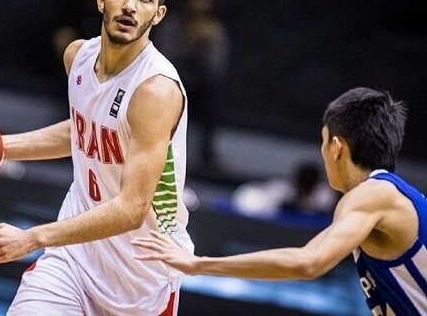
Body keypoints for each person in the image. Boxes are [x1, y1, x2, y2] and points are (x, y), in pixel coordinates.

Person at [0, 0, 194, 316]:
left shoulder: (155, 90)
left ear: (158, 14)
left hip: (140, 281)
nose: (130, 6)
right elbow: (83, 128)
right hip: (72, 260)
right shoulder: (77, 56)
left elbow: (132, 209)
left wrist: (31, 237)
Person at [133, 87, 427, 315]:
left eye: (323, 141)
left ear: (336, 147)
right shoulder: (390, 196)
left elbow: (308, 262)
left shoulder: (371, 195)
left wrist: (199, 264)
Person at [153, 0, 230, 176]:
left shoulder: (215, 31)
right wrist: (188, 44)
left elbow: (217, 66)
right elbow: (161, 57)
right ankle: (155, 146)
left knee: (212, 96)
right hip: (173, 79)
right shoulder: (172, 27)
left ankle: (206, 153)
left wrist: (204, 48)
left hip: (200, 84)